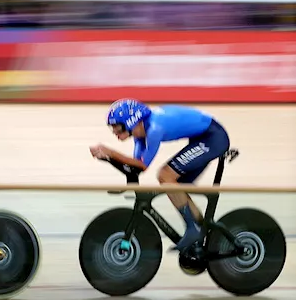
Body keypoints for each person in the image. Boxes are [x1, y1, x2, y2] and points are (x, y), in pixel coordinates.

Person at [90, 99, 230, 252]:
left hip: (213, 138)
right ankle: (199, 227)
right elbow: (135, 167)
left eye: (117, 126)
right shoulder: (140, 133)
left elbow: (143, 165)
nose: (114, 131)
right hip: (202, 138)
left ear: (130, 122)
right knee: (176, 186)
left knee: (165, 175)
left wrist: (111, 152)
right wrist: (109, 160)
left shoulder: (154, 129)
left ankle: (193, 228)